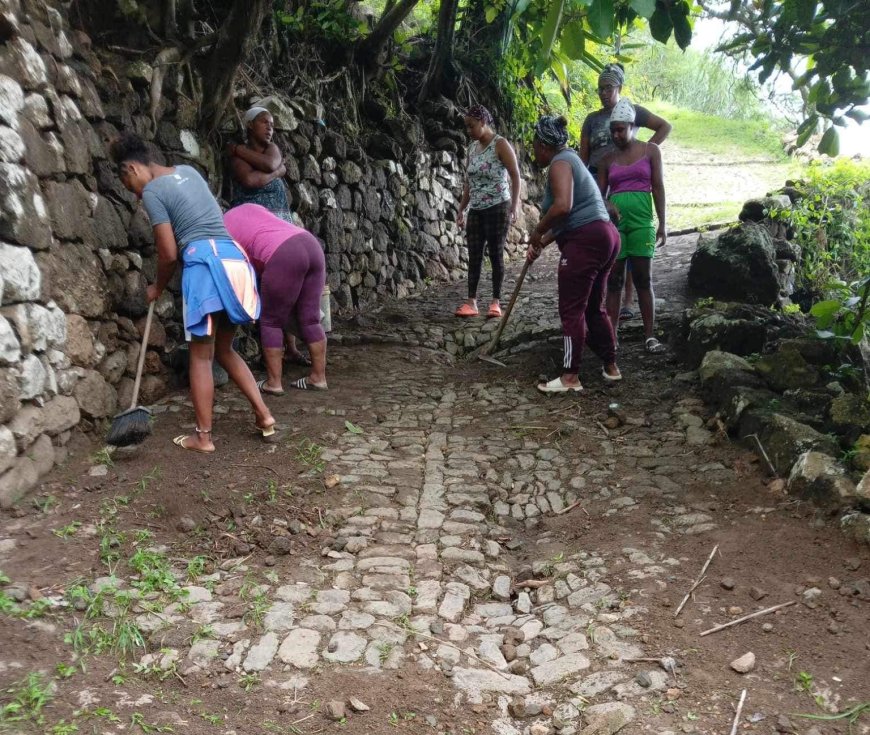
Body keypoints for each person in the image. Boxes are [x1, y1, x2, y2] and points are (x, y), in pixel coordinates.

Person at [110, 132, 276, 454]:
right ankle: (265, 416)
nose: (135, 195)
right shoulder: (188, 171)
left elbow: (169, 253)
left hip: (204, 266)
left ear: (131, 169)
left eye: (131, 187)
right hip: (234, 263)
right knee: (226, 350)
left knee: (201, 356)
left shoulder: (153, 191)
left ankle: (203, 438)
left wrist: (157, 287)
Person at [527, 115, 622, 394]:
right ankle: (610, 366)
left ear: (544, 145)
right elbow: (573, 216)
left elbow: (563, 207)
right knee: (594, 306)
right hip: (605, 235)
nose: (534, 152)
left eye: (534, 146)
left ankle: (570, 376)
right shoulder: (572, 160)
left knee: (572, 310)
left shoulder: (559, 162)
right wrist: (543, 242)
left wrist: (536, 230)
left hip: (586, 241)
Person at [580, 63, 671, 320]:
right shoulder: (592, 119)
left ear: (619, 87)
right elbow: (583, 157)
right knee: (610, 248)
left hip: (629, 184)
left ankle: (628, 303)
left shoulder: (633, 112)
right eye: (600, 88)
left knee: (634, 249)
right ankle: (605, 307)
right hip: (601, 183)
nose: (603, 93)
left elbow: (665, 126)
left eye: (608, 87)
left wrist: (643, 155)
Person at [228, 105, 310, 367]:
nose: (270, 127)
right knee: (266, 288)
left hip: (280, 225)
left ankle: (292, 348)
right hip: (256, 231)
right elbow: (249, 181)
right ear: (250, 125)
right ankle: (270, 353)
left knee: (287, 287)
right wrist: (275, 173)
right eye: (265, 122)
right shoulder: (237, 157)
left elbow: (271, 163)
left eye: (273, 124)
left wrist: (271, 169)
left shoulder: (268, 150)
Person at [224, 204, 328, 394]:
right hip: (310, 244)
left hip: (282, 255)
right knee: (310, 319)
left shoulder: (222, 230)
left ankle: (274, 383)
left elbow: (238, 271)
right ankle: (318, 377)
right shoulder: (250, 207)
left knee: (271, 321)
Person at [598, 99, 667, 353]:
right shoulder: (607, 160)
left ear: (632, 126)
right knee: (614, 280)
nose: (616, 134)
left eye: (621, 129)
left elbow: (658, 187)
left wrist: (662, 223)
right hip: (616, 227)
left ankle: (649, 335)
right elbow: (600, 195)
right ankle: (612, 336)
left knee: (643, 278)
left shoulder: (650, 151)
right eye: (613, 130)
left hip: (642, 224)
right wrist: (607, 205)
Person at [455, 105, 522, 319]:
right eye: (466, 127)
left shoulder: (500, 144)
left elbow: (515, 175)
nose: (469, 130)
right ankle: (471, 302)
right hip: (476, 208)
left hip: (498, 206)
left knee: (495, 253)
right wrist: (461, 208)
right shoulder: (472, 149)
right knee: (474, 255)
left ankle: (495, 302)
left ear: (483, 122)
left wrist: (515, 205)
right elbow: (469, 182)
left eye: (471, 126)